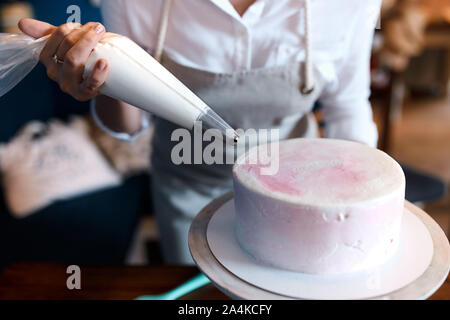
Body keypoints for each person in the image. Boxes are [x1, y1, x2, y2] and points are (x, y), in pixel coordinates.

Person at [19, 0, 382, 264]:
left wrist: (367, 206)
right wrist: (100, 80)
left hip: (301, 199)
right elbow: (128, 126)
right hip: (187, 196)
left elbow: (347, 108)